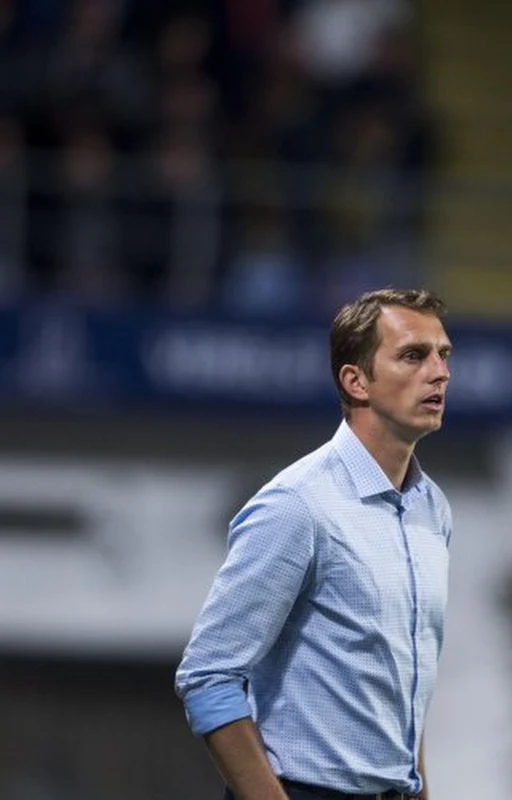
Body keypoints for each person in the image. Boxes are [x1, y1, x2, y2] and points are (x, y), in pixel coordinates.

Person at [176, 288, 454, 800]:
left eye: (443, 355)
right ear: (356, 381)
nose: (439, 372)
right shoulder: (298, 504)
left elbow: (403, 683)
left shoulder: (431, 509)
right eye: (414, 355)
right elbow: (208, 677)